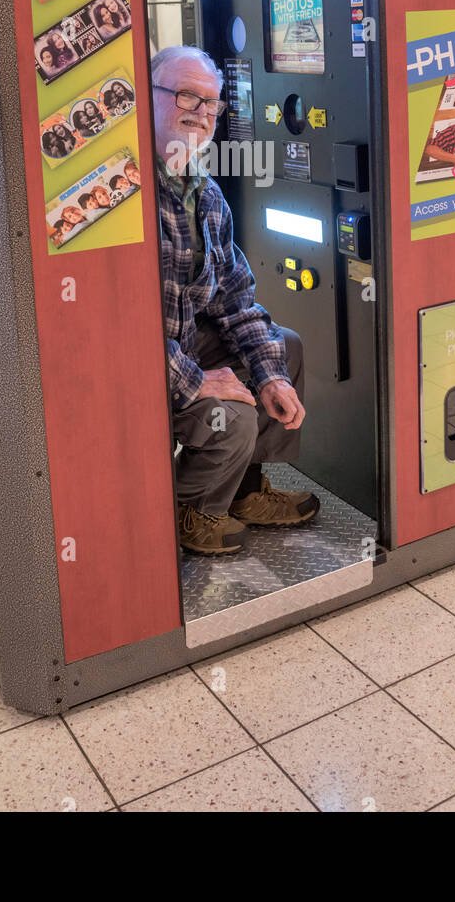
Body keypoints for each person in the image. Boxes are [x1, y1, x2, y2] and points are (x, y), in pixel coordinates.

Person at [152, 45, 319, 557]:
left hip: (181, 339)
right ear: (147, 98)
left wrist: (269, 375)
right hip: (135, 361)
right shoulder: (126, 197)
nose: (201, 114)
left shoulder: (206, 194)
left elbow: (236, 300)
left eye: (212, 103)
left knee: (282, 349)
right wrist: (199, 381)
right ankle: (191, 509)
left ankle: (244, 492)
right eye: (186, 95)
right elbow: (122, 328)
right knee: (232, 412)